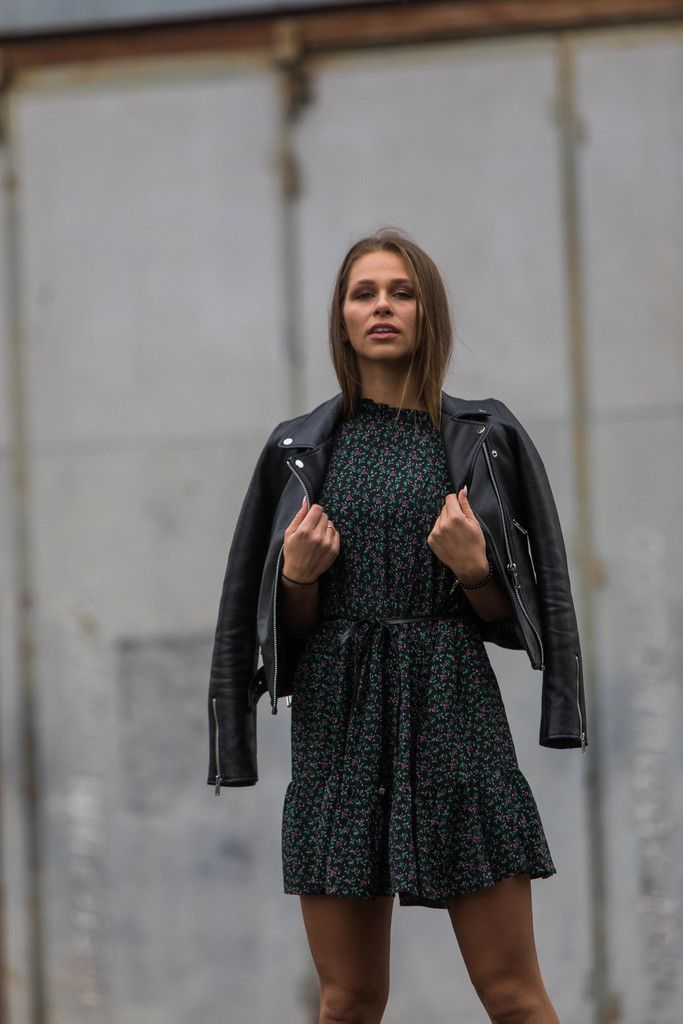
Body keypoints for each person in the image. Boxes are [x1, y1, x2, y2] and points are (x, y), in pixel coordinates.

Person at [207, 228, 588, 1024]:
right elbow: (272, 626)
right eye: (363, 293)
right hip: (336, 724)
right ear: (342, 320)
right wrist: (297, 578)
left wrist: (475, 569)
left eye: (401, 291)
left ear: (427, 313)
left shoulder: (485, 434)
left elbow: (526, 611)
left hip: (454, 715)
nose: (381, 306)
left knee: (513, 997)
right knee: (348, 999)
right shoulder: (296, 448)